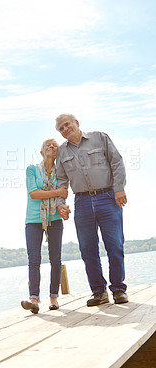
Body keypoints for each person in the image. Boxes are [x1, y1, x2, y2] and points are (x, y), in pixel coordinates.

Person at [55, 113, 128, 306]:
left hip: (107, 197)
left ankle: (118, 289)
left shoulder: (100, 138)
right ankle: (99, 292)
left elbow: (116, 162)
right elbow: (61, 180)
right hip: (82, 202)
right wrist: (60, 203)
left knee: (115, 245)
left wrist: (119, 188)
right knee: (87, 249)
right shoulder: (61, 152)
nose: (64, 130)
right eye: (60, 129)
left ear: (77, 123)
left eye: (67, 125)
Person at [21, 139, 69, 314]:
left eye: (54, 145)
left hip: (55, 218)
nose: (51, 147)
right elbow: (34, 193)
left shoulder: (62, 173)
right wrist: (57, 192)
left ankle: (54, 298)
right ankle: (34, 299)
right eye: (48, 145)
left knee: (55, 258)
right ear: (42, 152)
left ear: (57, 152)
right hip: (33, 219)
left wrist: (63, 207)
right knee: (34, 259)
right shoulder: (32, 170)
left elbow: (62, 197)